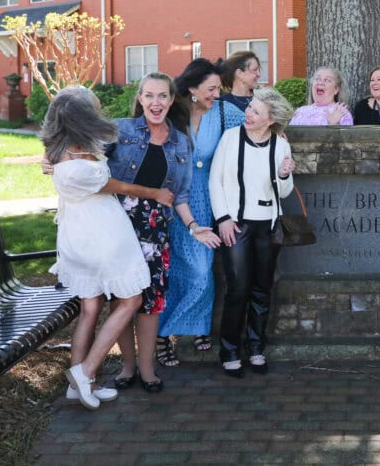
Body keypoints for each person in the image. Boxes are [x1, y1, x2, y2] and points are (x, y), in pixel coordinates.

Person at [42, 86, 155, 410]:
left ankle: (79, 387)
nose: (98, 113)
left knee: (91, 307)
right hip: (100, 235)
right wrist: (155, 193)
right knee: (131, 298)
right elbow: (114, 186)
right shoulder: (72, 165)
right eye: (92, 109)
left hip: (81, 235)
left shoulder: (65, 147)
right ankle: (86, 370)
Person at [107, 73, 219, 393]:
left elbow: (180, 196)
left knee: (151, 301)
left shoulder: (180, 142)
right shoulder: (121, 130)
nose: (156, 103)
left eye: (162, 97)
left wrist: (194, 226)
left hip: (156, 229)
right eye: (149, 96)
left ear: (171, 101)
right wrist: (53, 158)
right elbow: (82, 150)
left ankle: (147, 369)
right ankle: (127, 367)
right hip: (118, 224)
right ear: (140, 98)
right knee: (122, 301)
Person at [157, 58, 246, 366]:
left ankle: (190, 325)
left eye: (218, 88)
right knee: (169, 269)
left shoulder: (224, 112)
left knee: (200, 269)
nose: (216, 94)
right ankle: (163, 336)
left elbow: (257, 126)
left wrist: (280, 136)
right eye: (210, 89)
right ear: (192, 88)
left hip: (206, 201)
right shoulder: (171, 113)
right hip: (170, 201)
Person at [209, 88, 296, 376]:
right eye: (250, 107)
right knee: (237, 288)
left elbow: (283, 191)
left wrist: (284, 174)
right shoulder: (231, 138)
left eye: (256, 111)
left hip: (268, 226)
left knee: (262, 288)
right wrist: (222, 218)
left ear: (270, 120)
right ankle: (230, 349)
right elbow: (216, 180)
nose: (248, 113)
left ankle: (256, 346)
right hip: (236, 224)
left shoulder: (280, 145)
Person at [289, 66, 353, 125]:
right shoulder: (300, 111)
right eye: (318, 79)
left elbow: (345, 137)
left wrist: (333, 125)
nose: (320, 83)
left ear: (336, 89)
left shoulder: (341, 113)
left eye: (327, 80)